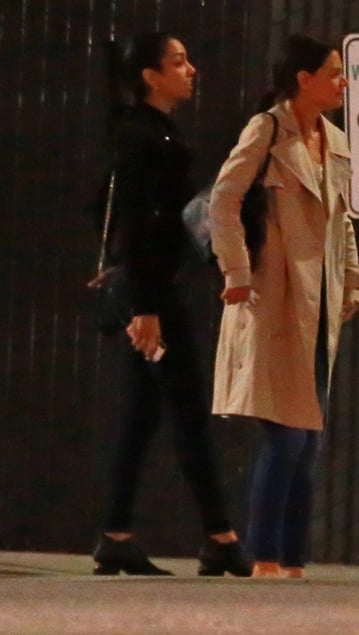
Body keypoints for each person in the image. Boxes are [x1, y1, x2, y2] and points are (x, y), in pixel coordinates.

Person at [91, 32, 252, 577]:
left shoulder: (153, 132)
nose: (192, 70)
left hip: (154, 289)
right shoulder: (141, 136)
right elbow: (137, 224)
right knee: (185, 409)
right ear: (150, 77)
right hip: (153, 296)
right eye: (179, 62)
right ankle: (221, 535)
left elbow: (115, 213)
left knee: (141, 414)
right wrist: (144, 307)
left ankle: (115, 535)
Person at [208, 34, 359, 579]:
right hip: (271, 297)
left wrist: (353, 279)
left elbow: (341, 219)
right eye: (334, 72)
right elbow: (224, 198)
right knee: (286, 431)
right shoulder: (268, 128)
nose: (343, 81)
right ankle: (266, 557)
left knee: (309, 435)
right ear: (304, 79)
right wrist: (235, 270)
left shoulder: (337, 140)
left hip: (317, 301)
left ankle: (293, 560)